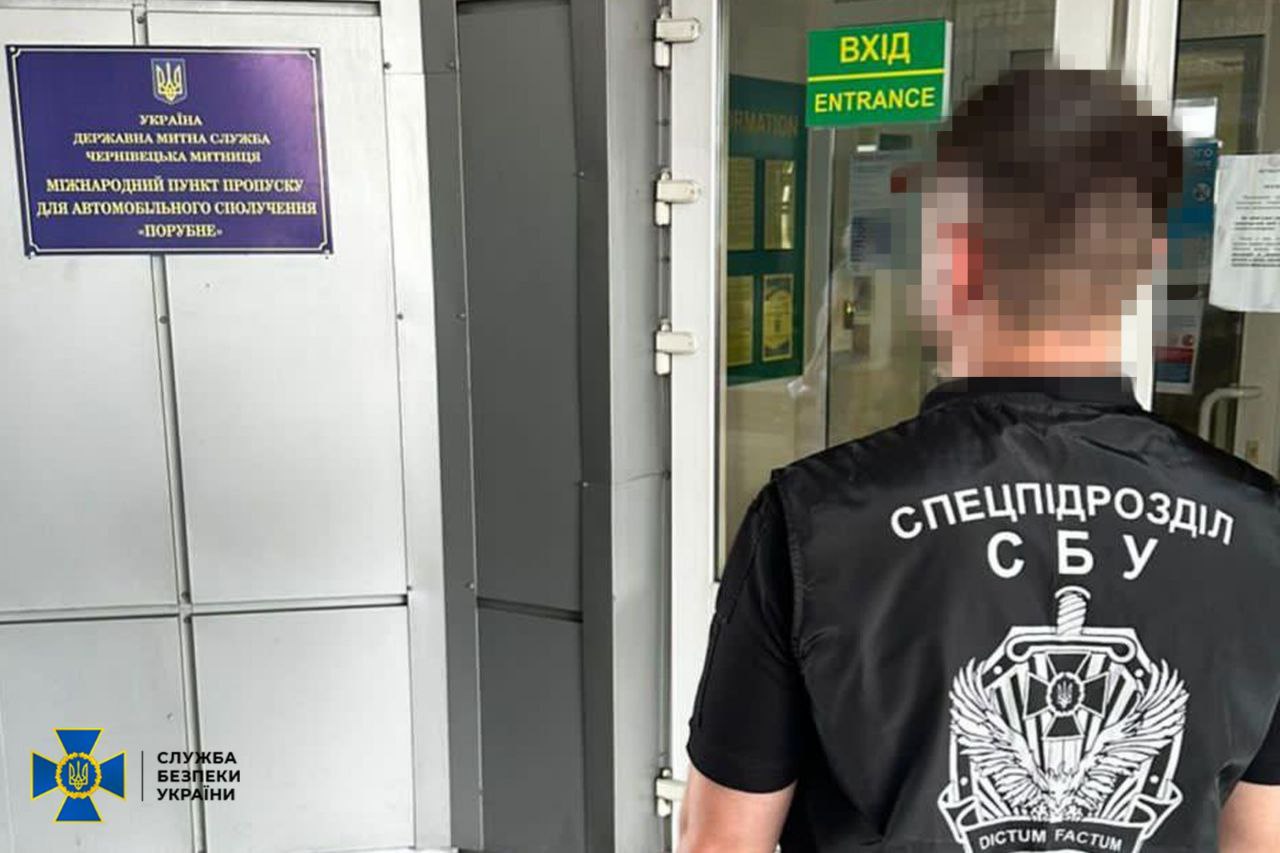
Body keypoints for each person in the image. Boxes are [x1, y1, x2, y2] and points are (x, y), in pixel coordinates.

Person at [679, 68, 1280, 852]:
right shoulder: (1260, 531)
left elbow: (721, 841)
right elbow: (1259, 837)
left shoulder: (815, 520)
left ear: (955, 255)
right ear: (1142, 264)